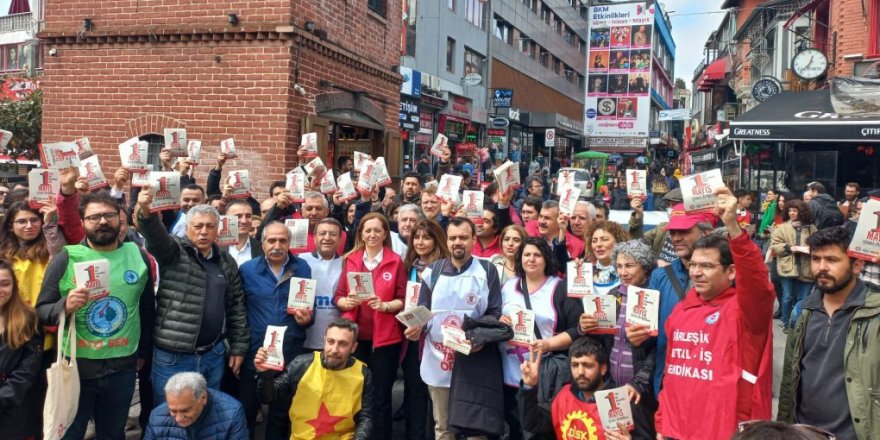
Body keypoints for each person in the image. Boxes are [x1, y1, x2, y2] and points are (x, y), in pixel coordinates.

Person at [653, 187, 775, 439]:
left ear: (731, 272)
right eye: (694, 265)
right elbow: (671, 373)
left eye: (707, 266)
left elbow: (757, 282)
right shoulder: (681, 311)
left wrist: (733, 227)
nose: (696, 273)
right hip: (679, 431)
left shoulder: (746, 311)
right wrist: (662, 423)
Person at [37, 192, 156, 439]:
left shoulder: (138, 255)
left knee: (112, 434)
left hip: (123, 366)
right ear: (82, 223)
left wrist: (143, 352)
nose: (102, 221)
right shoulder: (66, 258)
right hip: (77, 368)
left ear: (120, 219)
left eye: (109, 215)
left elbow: (146, 308)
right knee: (71, 434)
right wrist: (64, 306)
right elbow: (42, 310)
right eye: (94, 217)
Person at [136, 194, 249, 406]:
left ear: (218, 229)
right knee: (170, 413)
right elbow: (155, 235)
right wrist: (146, 212)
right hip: (173, 356)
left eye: (210, 226)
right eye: (198, 226)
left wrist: (238, 348)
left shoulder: (226, 261)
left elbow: (236, 306)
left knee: (207, 410)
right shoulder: (174, 252)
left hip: (212, 354)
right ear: (187, 228)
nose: (203, 231)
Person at [406, 217, 503, 440]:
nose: (457, 242)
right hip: (438, 357)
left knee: (475, 428)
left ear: (474, 239)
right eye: (452, 238)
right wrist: (416, 328)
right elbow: (423, 309)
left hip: (473, 357)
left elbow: (494, 312)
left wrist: (474, 338)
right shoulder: (433, 270)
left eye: (463, 237)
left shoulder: (487, 270)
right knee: (443, 427)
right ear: (447, 241)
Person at [778, 226, 879, 439]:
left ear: (857, 265)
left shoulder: (874, 314)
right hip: (804, 433)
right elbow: (789, 380)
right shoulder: (802, 311)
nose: (821, 267)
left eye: (832, 260)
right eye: (816, 259)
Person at [498, 237, 583, 439]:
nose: (531, 259)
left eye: (537, 255)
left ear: (546, 259)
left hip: (545, 376)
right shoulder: (508, 286)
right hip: (509, 371)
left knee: (538, 430)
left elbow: (577, 329)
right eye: (527, 254)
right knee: (513, 428)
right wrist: (500, 321)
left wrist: (548, 344)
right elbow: (494, 317)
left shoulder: (559, 288)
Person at [333, 212, 406, 439]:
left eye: (377, 230)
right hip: (355, 340)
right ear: (361, 234)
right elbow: (339, 296)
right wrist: (346, 302)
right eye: (368, 230)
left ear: (385, 234)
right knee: (355, 394)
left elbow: (403, 299)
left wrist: (385, 306)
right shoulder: (350, 259)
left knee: (381, 397)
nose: (372, 234)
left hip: (385, 340)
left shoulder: (395, 261)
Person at [238, 221, 314, 438]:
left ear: (290, 243)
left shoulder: (302, 268)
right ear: (262, 244)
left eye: (282, 240)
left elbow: (310, 308)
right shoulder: (247, 270)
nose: (277, 246)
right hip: (256, 352)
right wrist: (238, 348)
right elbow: (237, 310)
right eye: (271, 240)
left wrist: (306, 320)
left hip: (290, 351)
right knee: (248, 410)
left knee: (281, 414)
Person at [584, 240, 658, 438]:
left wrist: (639, 382)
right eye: (619, 266)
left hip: (640, 391)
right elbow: (602, 340)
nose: (623, 272)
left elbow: (660, 348)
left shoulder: (654, 296)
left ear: (645, 266)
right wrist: (586, 327)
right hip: (613, 385)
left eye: (629, 265)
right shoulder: (613, 295)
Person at [256, 318, 373, 439]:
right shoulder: (301, 364)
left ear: (353, 347)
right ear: (324, 341)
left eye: (342, 344)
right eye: (331, 341)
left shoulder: (363, 373)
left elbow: (365, 418)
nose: (334, 350)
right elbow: (268, 397)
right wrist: (265, 373)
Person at [517, 337, 632, 440]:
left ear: (603, 369)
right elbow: (533, 424)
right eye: (575, 365)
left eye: (587, 365)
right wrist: (529, 386)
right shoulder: (564, 395)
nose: (580, 372)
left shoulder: (619, 401)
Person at [401, 219, 450, 440]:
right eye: (417, 237)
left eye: (426, 237)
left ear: (437, 240)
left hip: (437, 339)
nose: (420, 242)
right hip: (412, 336)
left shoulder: (445, 267)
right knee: (415, 392)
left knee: (438, 397)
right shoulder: (409, 265)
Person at [0, 261, 44, 440]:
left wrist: (3, 397)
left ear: (14, 285)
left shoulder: (28, 319)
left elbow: (28, 370)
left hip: (14, 410)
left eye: (5, 284)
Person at [145, 372, 247, 439]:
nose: (178, 419)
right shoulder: (156, 417)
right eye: (173, 411)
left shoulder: (232, 414)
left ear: (203, 398)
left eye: (185, 410)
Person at [770, 199, 817, 331]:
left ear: (801, 212)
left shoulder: (811, 228)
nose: (791, 213)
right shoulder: (783, 227)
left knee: (804, 298)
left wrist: (811, 249)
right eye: (790, 210)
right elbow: (775, 244)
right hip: (788, 267)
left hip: (806, 267)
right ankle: (786, 323)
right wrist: (789, 248)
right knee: (787, 297)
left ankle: (799, 323)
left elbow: (819, 244)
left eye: (794, 210)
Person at [300, 218, 345, 351]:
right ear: (314, 238)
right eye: (322, 233)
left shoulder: (347, 263)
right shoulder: (301, 260)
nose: (327, 238)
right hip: (304, 339)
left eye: (333, 234)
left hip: (336, 342)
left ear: (340, 239)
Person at [223, 199, 264, 266]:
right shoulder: (215, 248)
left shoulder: (262, 248)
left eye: (248, 216)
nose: (244, 221)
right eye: (238, 216)